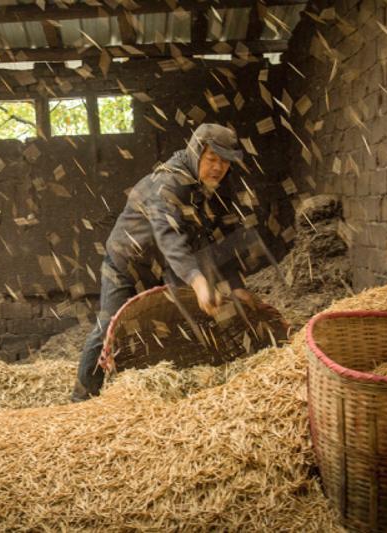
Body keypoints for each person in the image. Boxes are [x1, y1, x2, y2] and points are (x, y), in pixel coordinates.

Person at [71, 123, 267, 402]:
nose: (218, 168)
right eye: (212, 159)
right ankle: (80, 399)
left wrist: (234, 285)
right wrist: (198, 282)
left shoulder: (205, 186)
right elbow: (169, 237)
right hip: (126, 265)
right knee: (109, 327)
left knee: (168, 326)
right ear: (196, 152)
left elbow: (208, 241)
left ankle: (150, 392)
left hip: (162, 269)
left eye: (224, 162)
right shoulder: (168, 184)